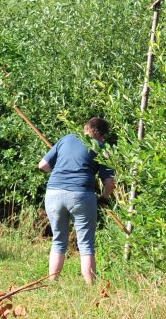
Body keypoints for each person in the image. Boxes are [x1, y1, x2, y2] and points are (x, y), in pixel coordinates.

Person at [38, 117, 115, 285]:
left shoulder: (66, 139)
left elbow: (43, 165)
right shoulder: (101, 147)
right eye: (103, 136)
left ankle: (52, 283)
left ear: (86, 128)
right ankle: (91, 287)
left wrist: (61, 171)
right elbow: (110, 183)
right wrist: (104, 198)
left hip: (54, 193)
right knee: (86, 244)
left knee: (58, 240)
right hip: (81, 194)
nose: (103, 140)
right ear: (97, 133)